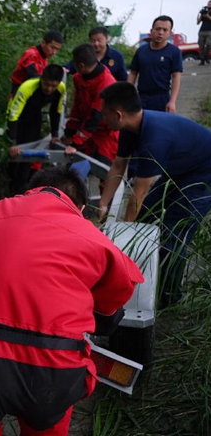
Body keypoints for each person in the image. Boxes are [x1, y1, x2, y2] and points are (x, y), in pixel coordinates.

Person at [0, 166, 144, 436]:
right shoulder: (92, 236)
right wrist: (101, 316)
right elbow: (121, 288)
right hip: (51, 365)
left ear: (29, 190)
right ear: (81, 206)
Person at [98, 81, 211, 308]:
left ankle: (169, 298)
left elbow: (138, 195)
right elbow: (119, 165)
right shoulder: (131, 127)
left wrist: (123, 235)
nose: (104, 118)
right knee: (146, 216)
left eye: (106, 114)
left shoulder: (155, 138)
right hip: (181, 169)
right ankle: (139, 270)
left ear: (118, 114)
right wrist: (102, 204)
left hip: (204, 173)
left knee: (173, 235)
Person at [6, 64, 66, 195]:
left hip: (34, 116)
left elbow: (55, 111)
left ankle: (22, 189)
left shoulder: (61, 88)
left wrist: (55, 134)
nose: (50, 89)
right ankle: (11, 188)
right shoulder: (27, 87)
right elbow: (13, 115)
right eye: (46, 84)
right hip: (16, 119)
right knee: (13, 157)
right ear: (41, 79)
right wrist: (13, 143)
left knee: (27, 159)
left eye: (53, 86)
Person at [62, 44, 119, 166]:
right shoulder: (79, 78)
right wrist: (69, 133)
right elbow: (77, 107)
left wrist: (75, 143)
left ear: (81, 65)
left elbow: (95, 117)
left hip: (105, 133)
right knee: (73, 168)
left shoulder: (106, 83)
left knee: (105, 171)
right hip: (85, 127)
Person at [128, 15, 182, 113]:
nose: (160, 32)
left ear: (170, 33)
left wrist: (172, 101)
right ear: (151, 31)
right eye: (158, 29)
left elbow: (176, 76)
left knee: (160, 127)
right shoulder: (141, 51)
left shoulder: (174, 52)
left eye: (165, 30)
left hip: (162, 98)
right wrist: (127, 94)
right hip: (141, 97)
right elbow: (133, 73)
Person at [9, 30, 64, 96]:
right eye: (52, 48)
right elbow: (33, 75)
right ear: (43, 43)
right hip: (19, 90)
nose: (54, 52)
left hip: (30, 89)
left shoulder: (44, 57)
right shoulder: (32, 54)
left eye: (57, 49)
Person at [64, 26, 128, 81]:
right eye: (93, 40)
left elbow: (123, 78)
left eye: (99, 40)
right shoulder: (85, 54)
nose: (96, 44)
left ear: (107, 39)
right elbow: (70, 67)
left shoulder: (117, 56)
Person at [197, 1, 211, 65]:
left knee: (208, 44)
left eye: (210, 4)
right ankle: (202, 60)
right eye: (208, 4)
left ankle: (207, 57)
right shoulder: (204, 11)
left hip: (209, 31)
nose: (209, 5)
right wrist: (200, 14)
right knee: (201, 46)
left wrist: (207, 15)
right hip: (202, 31)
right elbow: (198, 22)